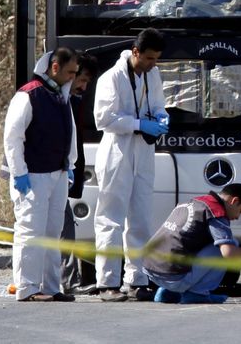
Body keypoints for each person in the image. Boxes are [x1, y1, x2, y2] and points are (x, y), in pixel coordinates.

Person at [93, 29, 169, 301]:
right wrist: (138, 124)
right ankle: (107, 282)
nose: (153, 63)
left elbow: (159, 105)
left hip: (144, 153)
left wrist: (161, 118)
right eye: (149, 58)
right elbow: (103, 120)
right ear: (135, 52)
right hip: (118, 152)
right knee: (111, 218)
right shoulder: (111, 78)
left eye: (156, 59)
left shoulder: (153, 74)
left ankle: (137, 279)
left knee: (140, 218)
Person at [3, 48, 79, 302]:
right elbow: (13, 137)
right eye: (70, 72)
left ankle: (50, 286)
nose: (73, 77)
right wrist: (19, 173)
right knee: (30, 231)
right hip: (33, 176)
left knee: (52, 231)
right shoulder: (29, 95)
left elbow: (70, 133)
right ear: (55, 68)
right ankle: (26, 287)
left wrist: (69, 164)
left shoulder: (60, 96)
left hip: (57, 173)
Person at [144, 183, 241, 304]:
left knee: (197, 243)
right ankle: (197, 294)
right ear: (234, 201)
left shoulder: (194, 203)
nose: (238, 217)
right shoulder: (217, 213)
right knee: (229, 245)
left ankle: (167, 292)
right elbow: (228, 253)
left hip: (151, 269)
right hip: (174, 277)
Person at [61, 53, 99, 294]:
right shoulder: (49, 98)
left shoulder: (71, 100)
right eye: (80, 79)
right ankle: (67, 281)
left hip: (60, 172)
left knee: (65, 227)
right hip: (46, 172)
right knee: (62, 227)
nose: (83, 87)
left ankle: (66, 280)